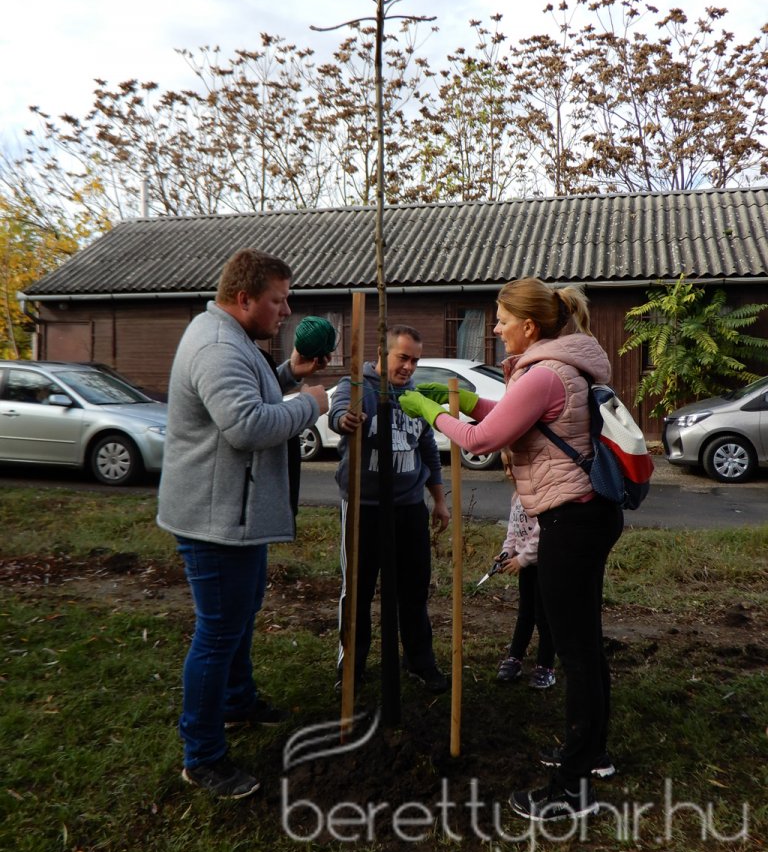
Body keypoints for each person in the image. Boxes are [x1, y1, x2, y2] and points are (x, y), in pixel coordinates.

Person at [400, 278, 623, 821]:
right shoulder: (560, 366)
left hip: (571, 521)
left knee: (575, 649)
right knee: (585, 644)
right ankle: (589, 754)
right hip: (588, 515)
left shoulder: (545, 371)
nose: (495, 329)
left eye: (500, 320)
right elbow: (511, 413)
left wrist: (430, 413)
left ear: (530, 325)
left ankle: (570, 791)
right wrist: (469, 401)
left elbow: (481, 440)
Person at [157, 248, 329, 800]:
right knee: (217, 633)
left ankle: (236, 703)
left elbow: (248, 390)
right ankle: (202, 755)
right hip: (215, 521)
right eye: (278, 301)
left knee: (240, 611)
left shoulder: (232, 341)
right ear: (244, 298)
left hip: (235, 514)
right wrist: (313, 403)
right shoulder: (214, 345)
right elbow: (248, 425)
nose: (286, 311)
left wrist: (287, 374)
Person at [330, 325, 451, 694]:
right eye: (403, 358)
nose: (410, 367)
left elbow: (428, 448)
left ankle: (420, 663)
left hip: (409, 508)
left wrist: (440, 500)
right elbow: (338, 414)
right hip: (364, 509)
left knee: (413, 592)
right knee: (358, 593)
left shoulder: (414, 395)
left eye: (415, 360)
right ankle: (350, 666)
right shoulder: (357, 387)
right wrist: (346, 421)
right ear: (382, 353)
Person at [494, 493, 556, 690]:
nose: (510, 472)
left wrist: (521, 560)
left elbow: (542, 534)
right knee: (525, 614)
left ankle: (545, 667)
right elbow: (513, 530)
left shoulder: (542, 496)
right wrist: (507, 552)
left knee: (544, 616)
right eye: (505, 467)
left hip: (544, 563)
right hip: (525, 564)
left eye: (512, 466)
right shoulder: (516, 497)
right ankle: (515, 658)